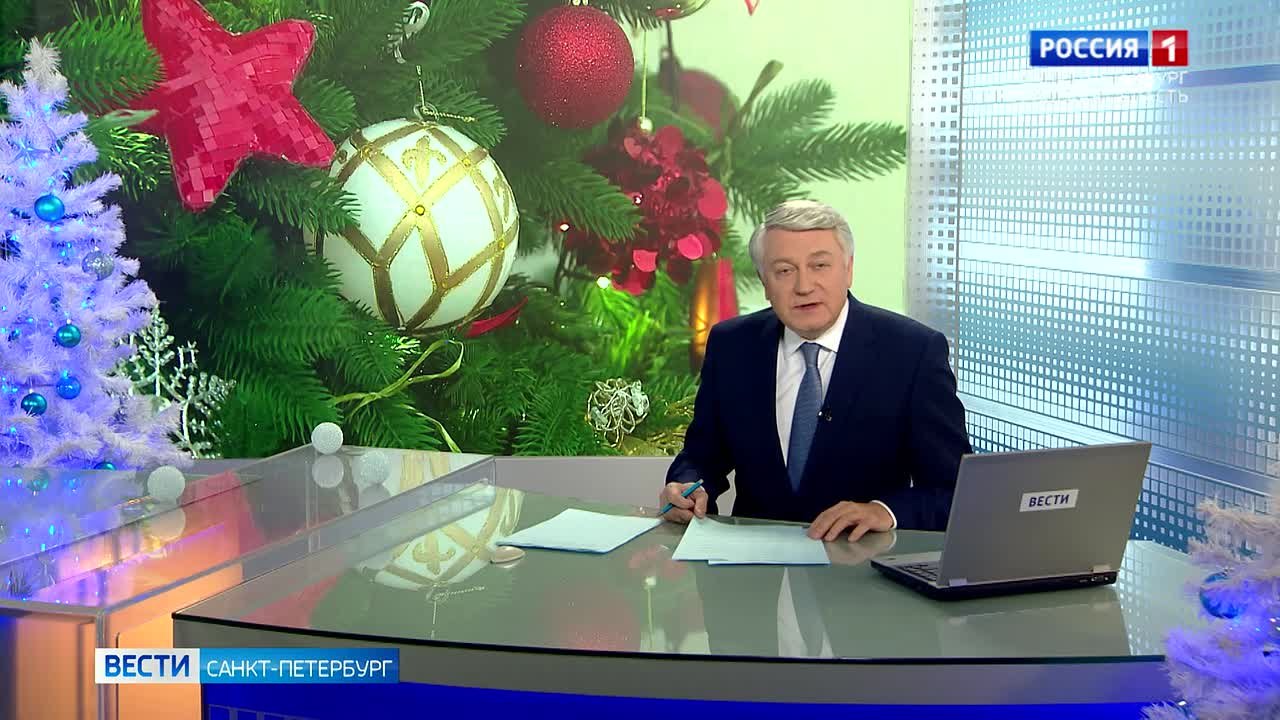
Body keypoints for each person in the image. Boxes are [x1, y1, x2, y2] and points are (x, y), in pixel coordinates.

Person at [661, 200, 971, 540]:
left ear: (848, 269)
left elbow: (955, 490)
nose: (804, 286)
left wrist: (883, 511)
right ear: (765, 282)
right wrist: (685, 486)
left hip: (860, 563)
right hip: (752, 563)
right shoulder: (732, 345)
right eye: (784, 271)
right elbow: (702, 455)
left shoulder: (912, 352)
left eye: (820, 265)